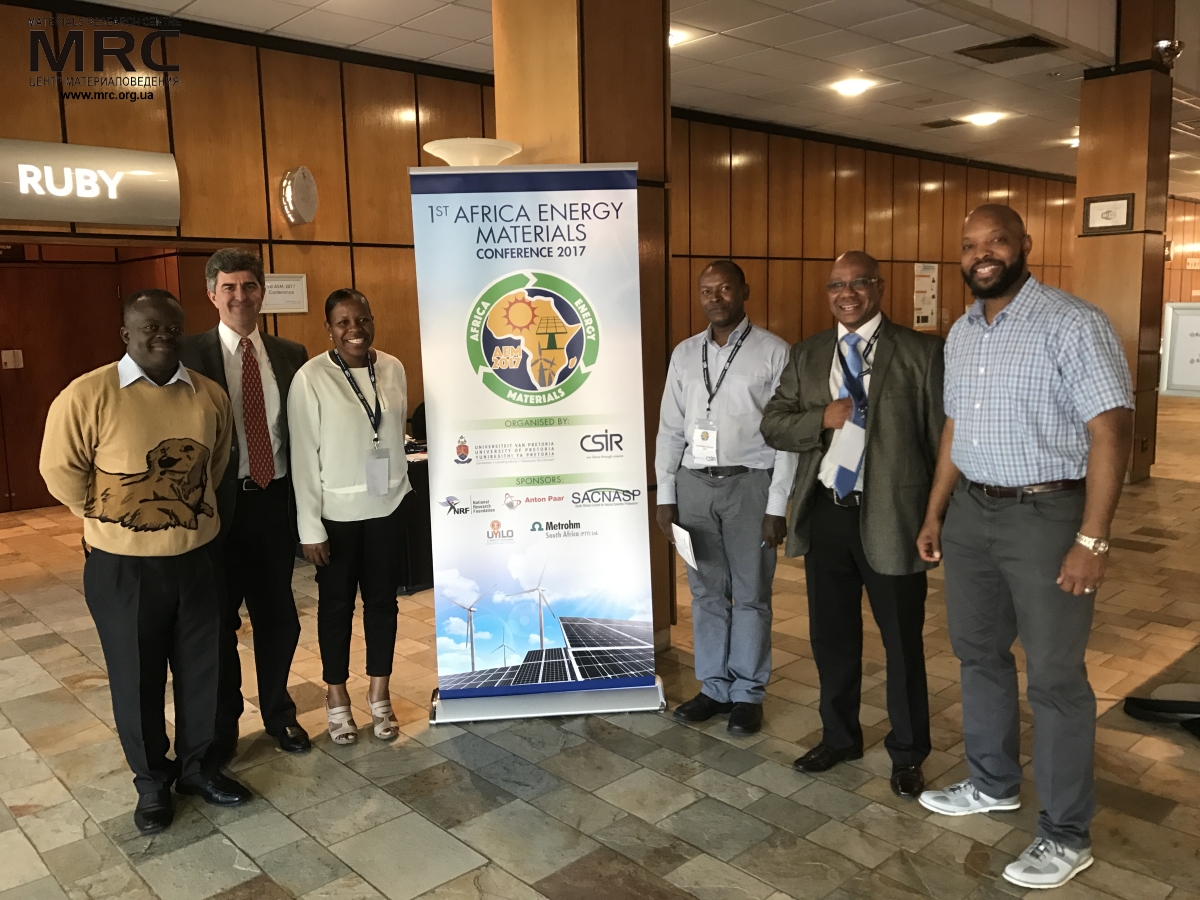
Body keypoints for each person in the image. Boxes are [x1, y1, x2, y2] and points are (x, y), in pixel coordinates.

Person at [915, 204, 1133, 890]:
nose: (983, 254)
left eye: (996, 241)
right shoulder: (960, 333)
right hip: (972, 513)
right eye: (970, 244)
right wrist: (935, 510)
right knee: (977, 655)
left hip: (1047, 516)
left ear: (1024, 246)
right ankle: (993, 782)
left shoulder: (1072, 322)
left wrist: (1091, 538)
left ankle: (1067, 834)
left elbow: (1112, 431)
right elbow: (955, 426)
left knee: (1055, 680)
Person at [40, 289, 251, 836]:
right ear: (126, 334)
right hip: (124, 567)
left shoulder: (206, 394)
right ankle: (153, 783)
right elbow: (60, 469)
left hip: (198, 559)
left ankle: (200, 770)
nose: (163, 336)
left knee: (205, 669)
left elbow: (218, 460)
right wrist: (105, 516)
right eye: (149, 327)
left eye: (173, 327)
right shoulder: (88, 394)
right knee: (137, 678)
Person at [761, 251, 944, 799]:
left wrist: (937, 517)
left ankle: (909, 753)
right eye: (837, 285)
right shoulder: (809, 352)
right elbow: (773, 424)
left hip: (893, 517)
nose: (847, 293)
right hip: (828, 516)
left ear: (878, 287)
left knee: (902, 643)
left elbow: (941, 443)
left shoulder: (922, 352)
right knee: (832, 639)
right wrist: (822, 417)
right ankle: (840, 736)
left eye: (858, 283)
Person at [655, 259, 798, 735]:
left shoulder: (774, 353)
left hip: (750, 484)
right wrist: (665, 493)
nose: (714, 297)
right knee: (705, 592)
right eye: (706, 290)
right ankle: (714, 687)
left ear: (744, 292)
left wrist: (777, 506)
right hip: (695, 484)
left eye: (724, 289)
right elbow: (670, 428)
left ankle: (748, 693)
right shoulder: (683, 354)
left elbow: (787, 436)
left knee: (752, 593)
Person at [179, 249, 311, 763]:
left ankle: (279, 713)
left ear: (263, 291)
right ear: (212, 294)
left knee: (279, 617)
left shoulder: (291, 353)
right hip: (217, 509)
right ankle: (225, 724)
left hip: (274, 503)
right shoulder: (189, 355)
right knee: (218, 624)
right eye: (229, 287)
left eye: (250, 286)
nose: (240, 296)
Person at [288, 288, 411, 745]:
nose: (354, 329)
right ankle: (337, 696)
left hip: (388, 507)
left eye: (361, 319)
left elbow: (394, 434)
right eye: (343, 322)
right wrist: (309, 526)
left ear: (372, 320)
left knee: (383, 604)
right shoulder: (311, 377)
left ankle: (380, 693)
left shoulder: (394, 367)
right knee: (336, 607)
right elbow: (304, 457)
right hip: (335, 517)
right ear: (329, 328)